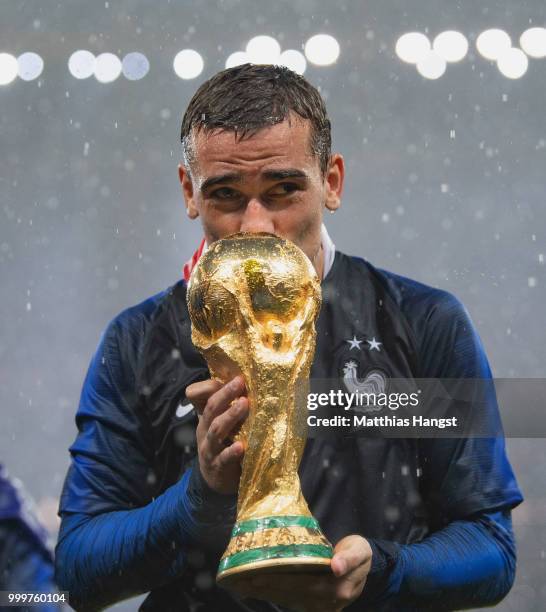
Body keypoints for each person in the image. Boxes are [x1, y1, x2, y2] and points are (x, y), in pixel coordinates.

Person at [55, 64, 523, 611]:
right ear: (189, 192)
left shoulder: (422, 323)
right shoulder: (139, 341)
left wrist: (384, 569)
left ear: (331, 181)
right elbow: (78, 570)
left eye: (282, 190)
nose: (255, 224)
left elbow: (490, 548)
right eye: (226, 194)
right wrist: (200, 497)